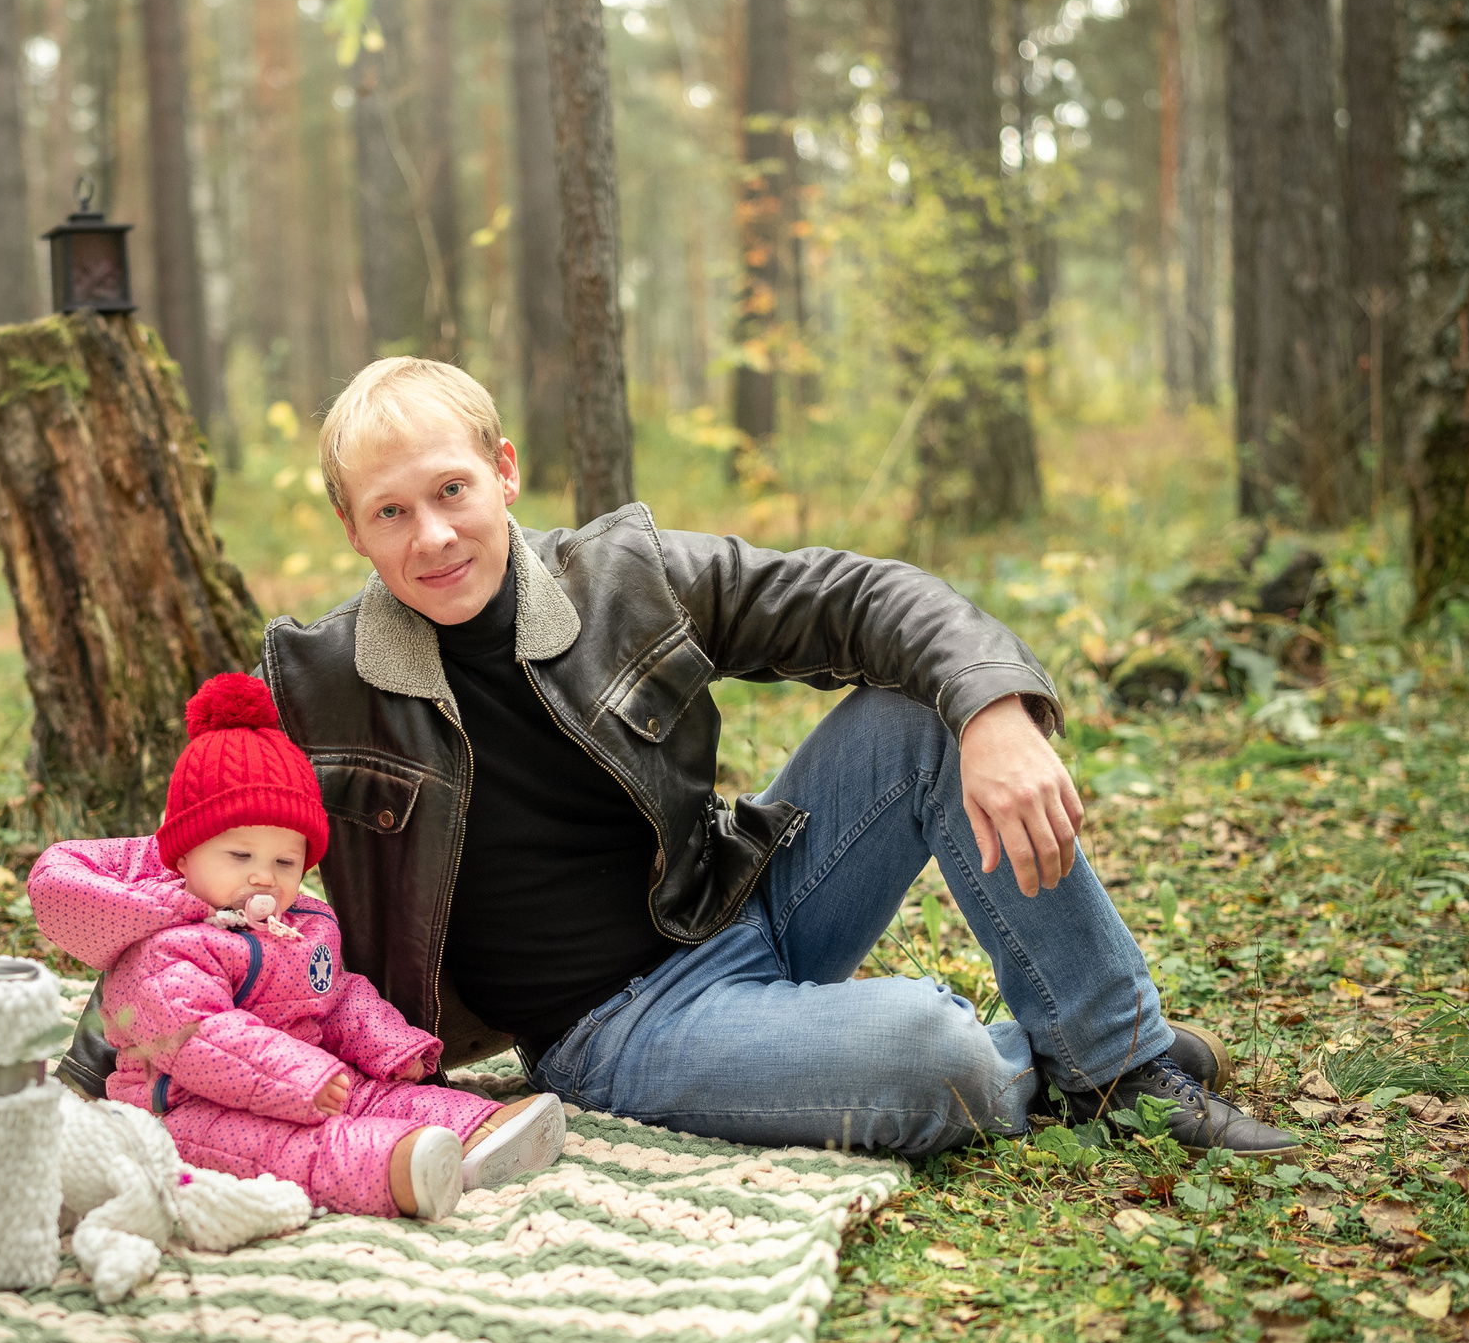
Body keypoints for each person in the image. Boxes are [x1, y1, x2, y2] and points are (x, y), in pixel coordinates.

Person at [73, 358, 1297, 1163]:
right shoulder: (317, 683)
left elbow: (859, 597)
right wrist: (97, 1063)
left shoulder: (628, 578)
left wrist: (992, 710)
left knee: (924, 718)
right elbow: (203, 876)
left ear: (504, 471)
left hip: (744, 905)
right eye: (391, 512)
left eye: (451, 490)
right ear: (352, 528)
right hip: (615, 1030)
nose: (432, 535)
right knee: (936, 1059)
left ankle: (1121, 1067)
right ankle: (1043, 1057)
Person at [31, 671, 569, 1221]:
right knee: (293, 1149)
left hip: (307, 1078)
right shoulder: (165, 948)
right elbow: (201, 1038)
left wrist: (392, 1047)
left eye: (285, 861)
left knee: (376, 1096)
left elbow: (336, 997)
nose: (264, 877)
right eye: (240, 856)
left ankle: (480, 1131)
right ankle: (401, 1172)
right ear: (184, 856)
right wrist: (299, 1078)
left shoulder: (301, 926)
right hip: (188, 1110)